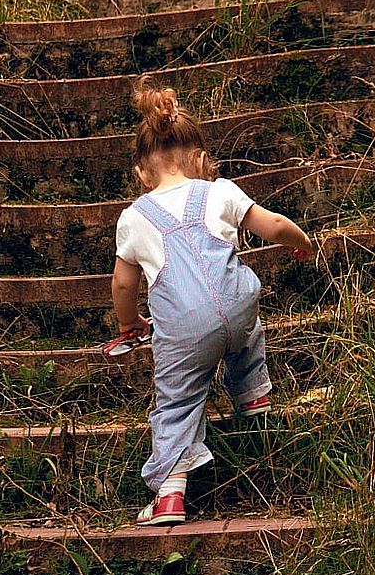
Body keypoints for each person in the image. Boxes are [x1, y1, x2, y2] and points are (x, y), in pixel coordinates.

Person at [111, 76, 314, 526]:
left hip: (184, 332)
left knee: (178, 400)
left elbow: (124, 285)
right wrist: (302, 242)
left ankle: (169, 494)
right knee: (246, 333)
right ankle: (252, 394)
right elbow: (276, 224)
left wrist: (130, 325)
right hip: (238, 308)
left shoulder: (133, 218)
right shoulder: (220, 191)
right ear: (204, 162)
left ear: (141, 175)